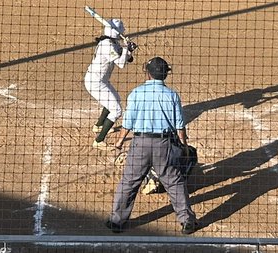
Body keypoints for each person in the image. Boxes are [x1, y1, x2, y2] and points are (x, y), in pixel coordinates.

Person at [106, 56, 199, 235]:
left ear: (148, 74)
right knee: (174, 182)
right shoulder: (172, 95)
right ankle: (187, 221)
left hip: (140, 143)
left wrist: (119, 141)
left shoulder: (136, 93)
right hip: (164, 144)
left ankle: (117, 222)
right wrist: (184, 146)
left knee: (129, 182)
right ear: (165, 75)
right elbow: (180, 125)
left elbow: (128, 122)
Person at [84, 13, 136, 149]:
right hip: (95, 83)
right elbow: (121, 64)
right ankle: (99, 141)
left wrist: (129, 50)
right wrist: (125, 48)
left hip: (100, 81)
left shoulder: (112, 42)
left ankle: (98, 126)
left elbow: (127, 59)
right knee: (117, 110)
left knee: (115, 100)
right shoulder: (107, 45)